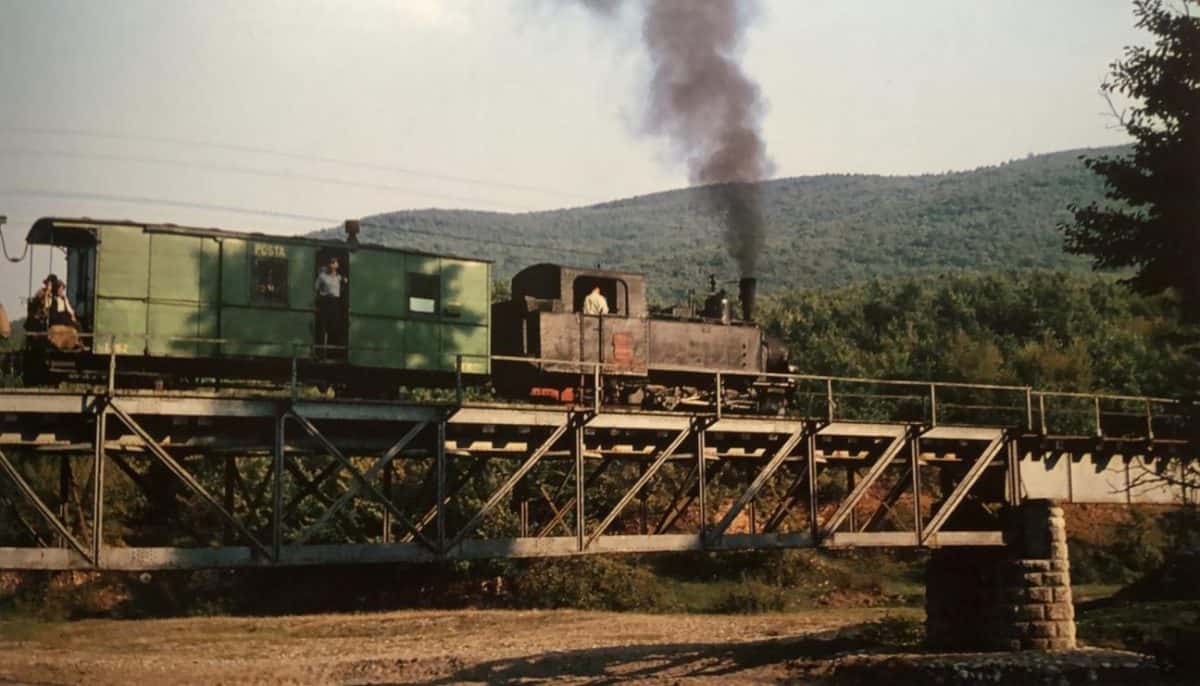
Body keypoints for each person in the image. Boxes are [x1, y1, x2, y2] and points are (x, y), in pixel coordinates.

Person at [314, 257, 348, 357]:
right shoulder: (322, 276)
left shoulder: (339, 277)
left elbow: (346, 283)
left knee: (334, 326)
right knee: (322, 327)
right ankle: (320, 352)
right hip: (325, 301)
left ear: (337, 266)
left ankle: (333, 353)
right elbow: (316, 288)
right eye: (331, 263)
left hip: (335, 303)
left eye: (334, 263)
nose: (332, 265)